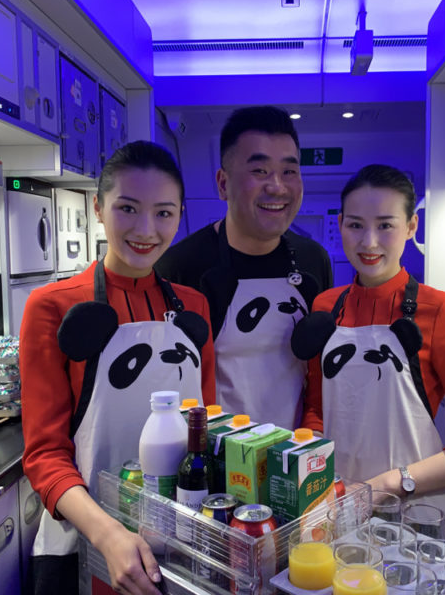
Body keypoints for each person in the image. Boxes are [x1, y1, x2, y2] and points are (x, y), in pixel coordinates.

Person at [20, 141, 216, 594]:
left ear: (180, 214)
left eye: (164, 213)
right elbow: (45, 457)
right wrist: (109, 535)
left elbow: (204, 428)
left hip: (179, 542)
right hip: (85, 542)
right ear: (99, 208)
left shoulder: (194, 308)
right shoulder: (52, 307)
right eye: (128, 208)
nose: (146, 229)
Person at [294, 164, 445, 518]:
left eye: (386, 225)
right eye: (356, 225)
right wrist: (309, 470)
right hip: (336, 506)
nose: (369, 242)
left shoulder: (441, 310)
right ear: (340, 224)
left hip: (415, 510)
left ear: (411, 227)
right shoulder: (326, 306)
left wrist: (390, 484)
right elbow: (318, 409)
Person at [156, 106, 332, 429]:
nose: (277, 187)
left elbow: (320, 375)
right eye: (260, 171)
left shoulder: (313, 261)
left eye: (290, 171)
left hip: (296, 455)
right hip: (213, 460)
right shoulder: (179, 267)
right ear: (223, 184)